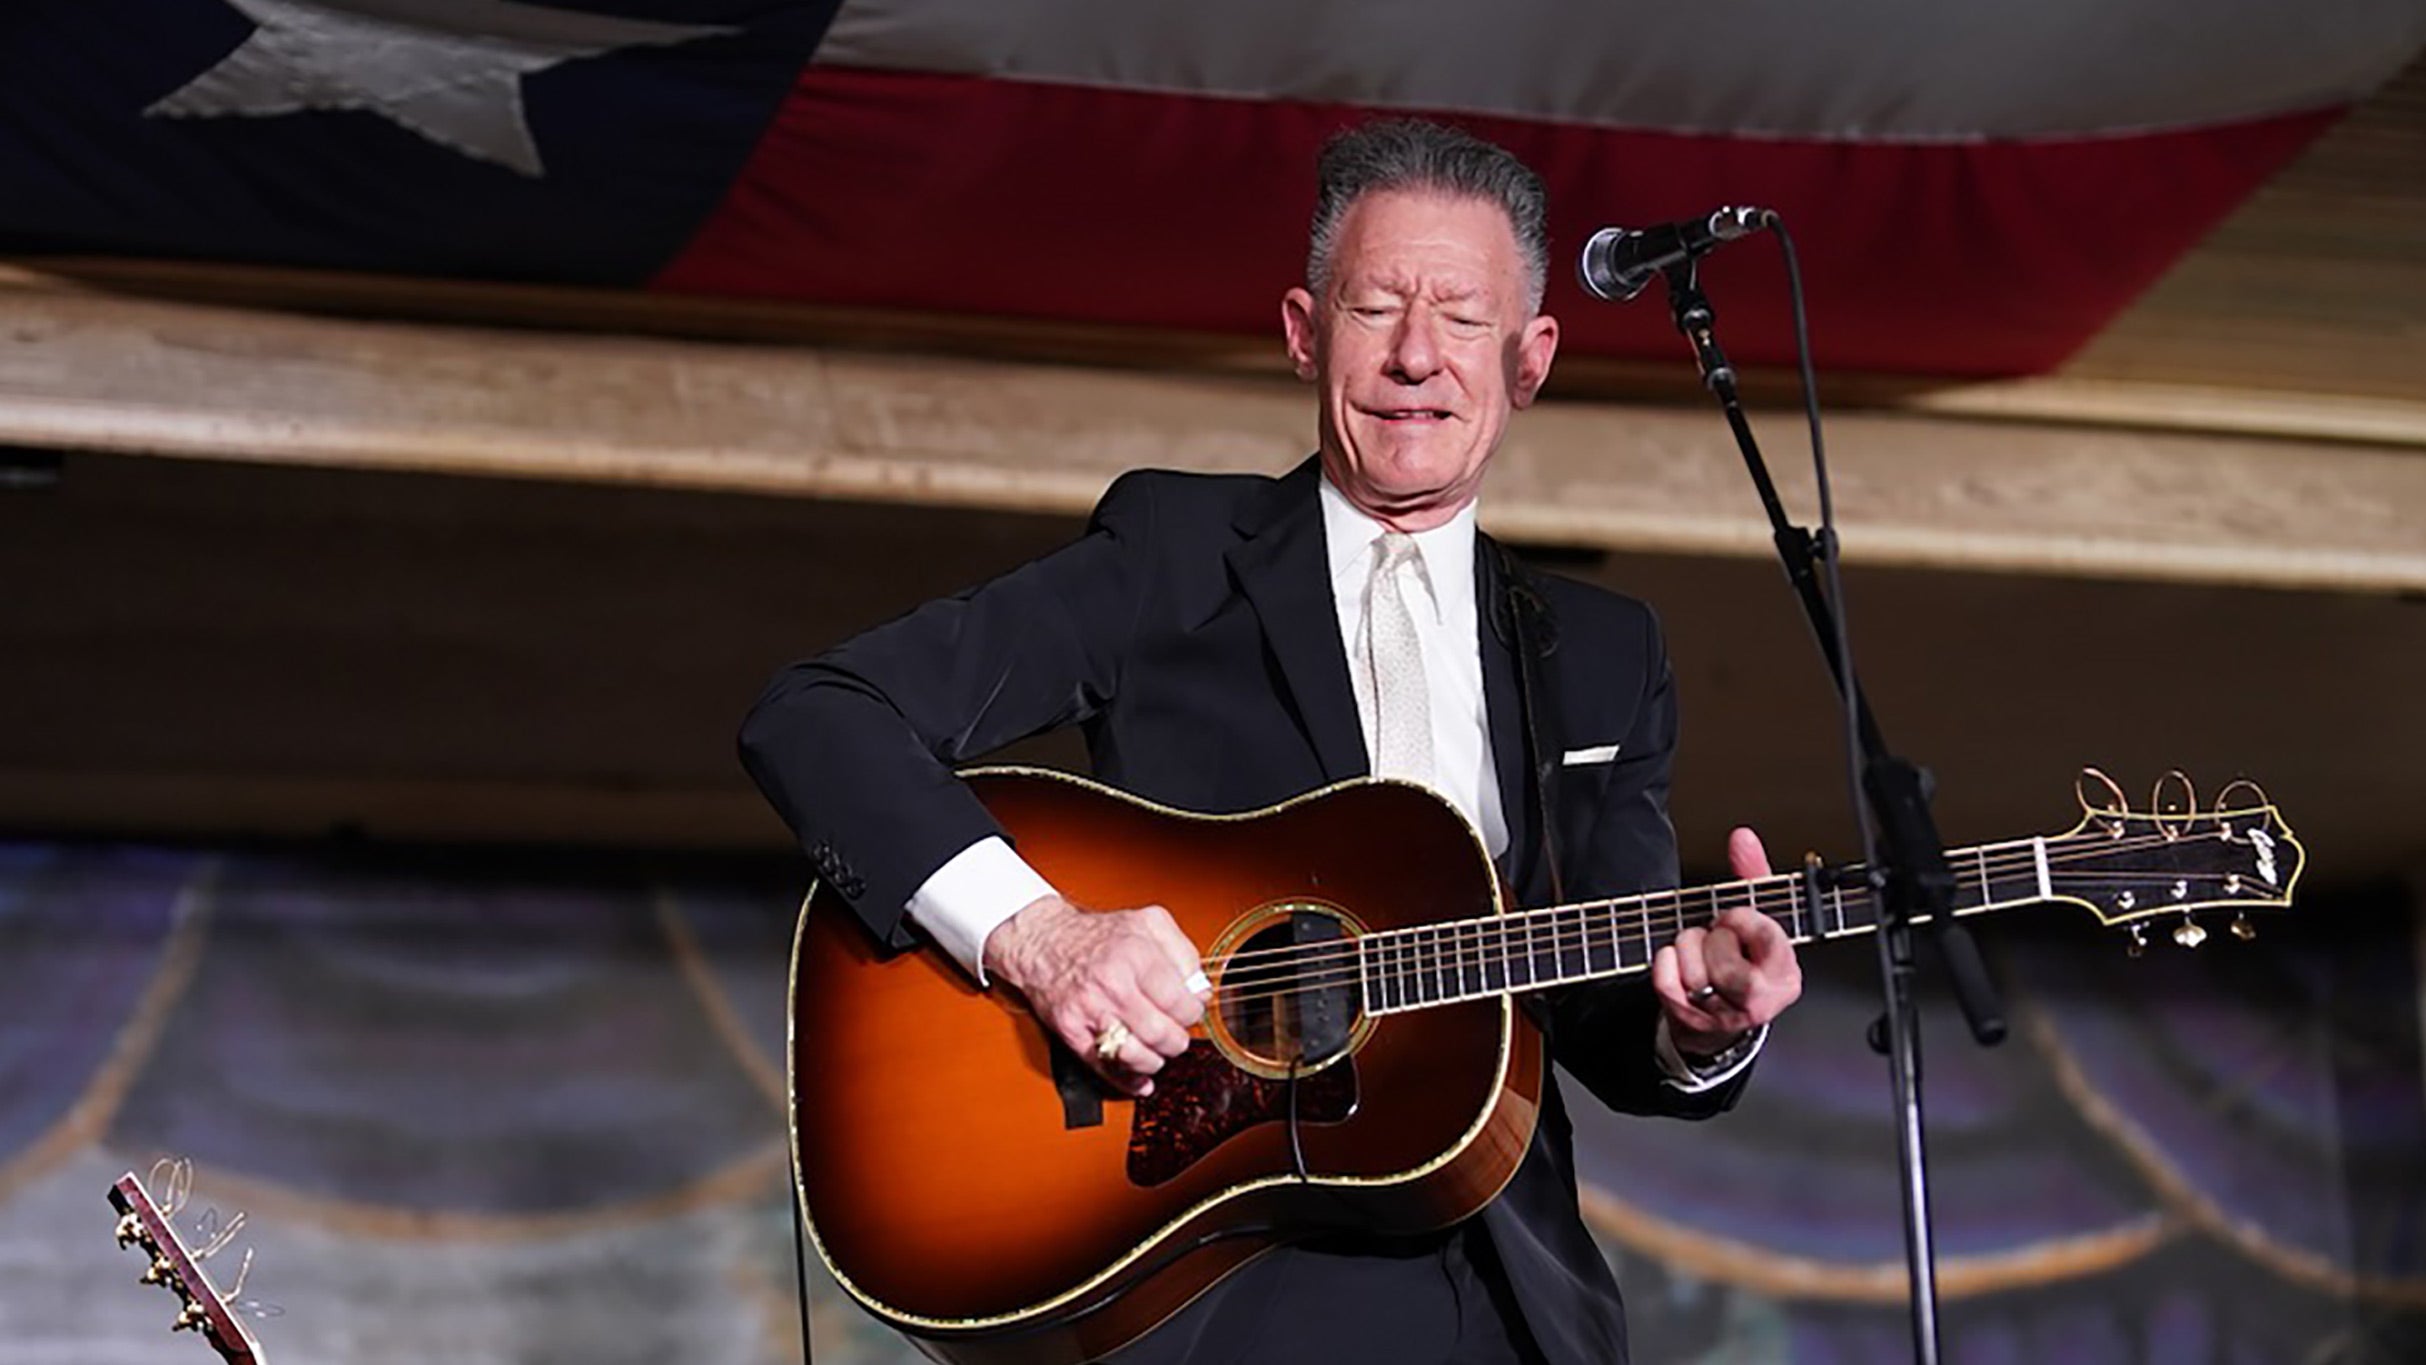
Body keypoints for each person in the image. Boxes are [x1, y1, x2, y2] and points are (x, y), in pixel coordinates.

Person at [740, 118, 1803, 1365]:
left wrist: (1700, 1025)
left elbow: (1608, 1013)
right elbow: (815, 712)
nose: (1416, 357)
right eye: (1374, 309)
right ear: (1304, 331)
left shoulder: (1604, 652)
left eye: (1462, 319)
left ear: (1530, 357)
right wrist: (1041, 935)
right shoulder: (1171, 559)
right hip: (1210, 1278)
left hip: (1506, 1294)